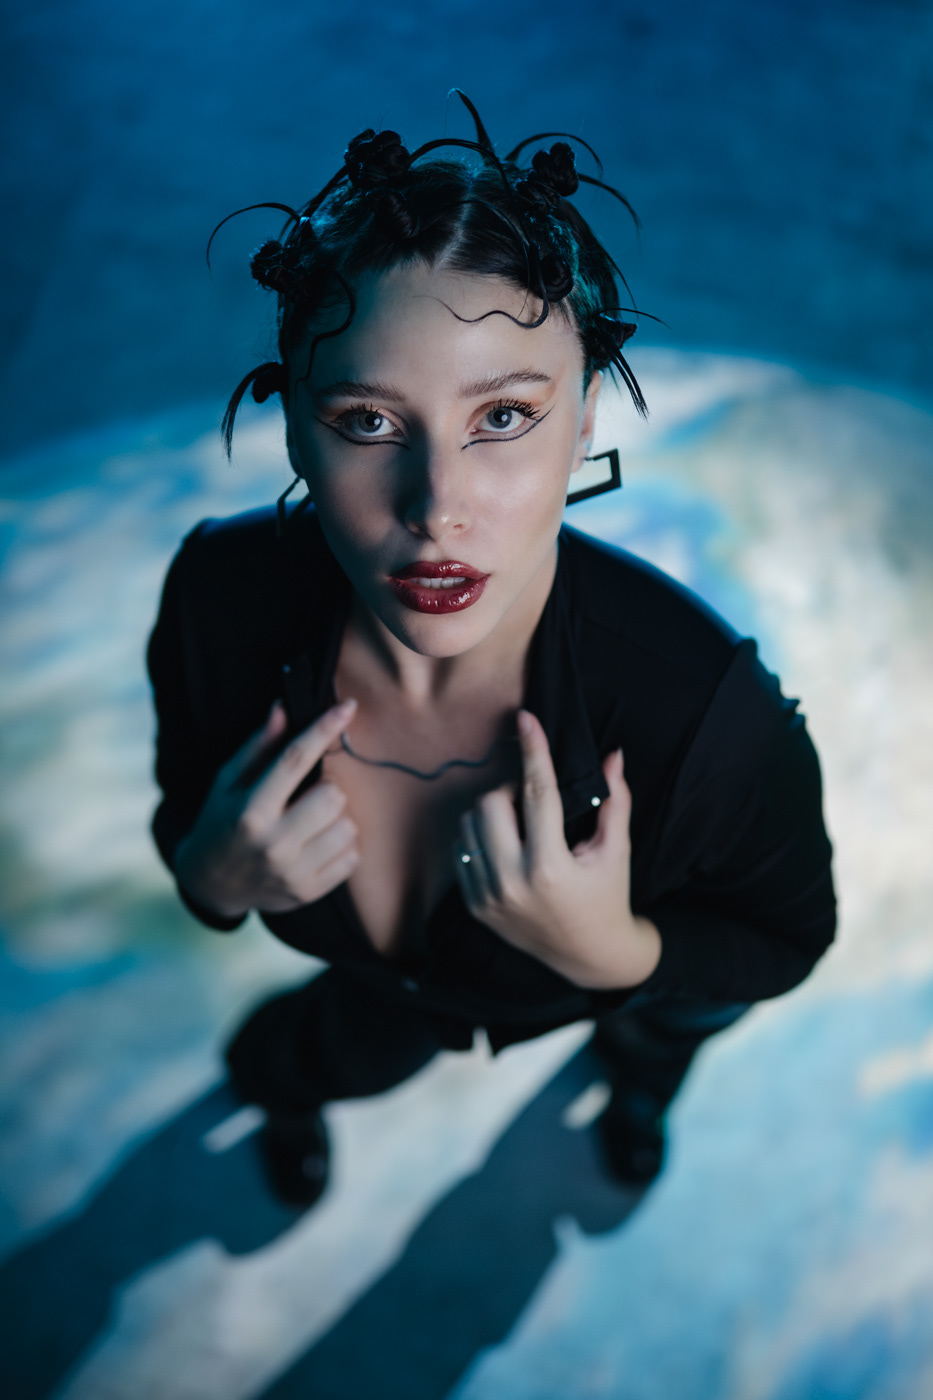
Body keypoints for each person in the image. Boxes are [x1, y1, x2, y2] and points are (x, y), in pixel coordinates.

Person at [147, 95, 836, 1206]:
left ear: (586, 417)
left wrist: (616, 956)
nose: (437, 507)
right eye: (367, 420)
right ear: (296, 429)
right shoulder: (217, 600)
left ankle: (636, 1090)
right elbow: (184, 799)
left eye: (504, 417)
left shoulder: (708, 715)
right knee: (320, 1054)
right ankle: (285, 1093)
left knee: (657, 1037)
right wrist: (209, 875)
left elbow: (787, 938)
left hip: (612, 998)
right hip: (374, 1009)